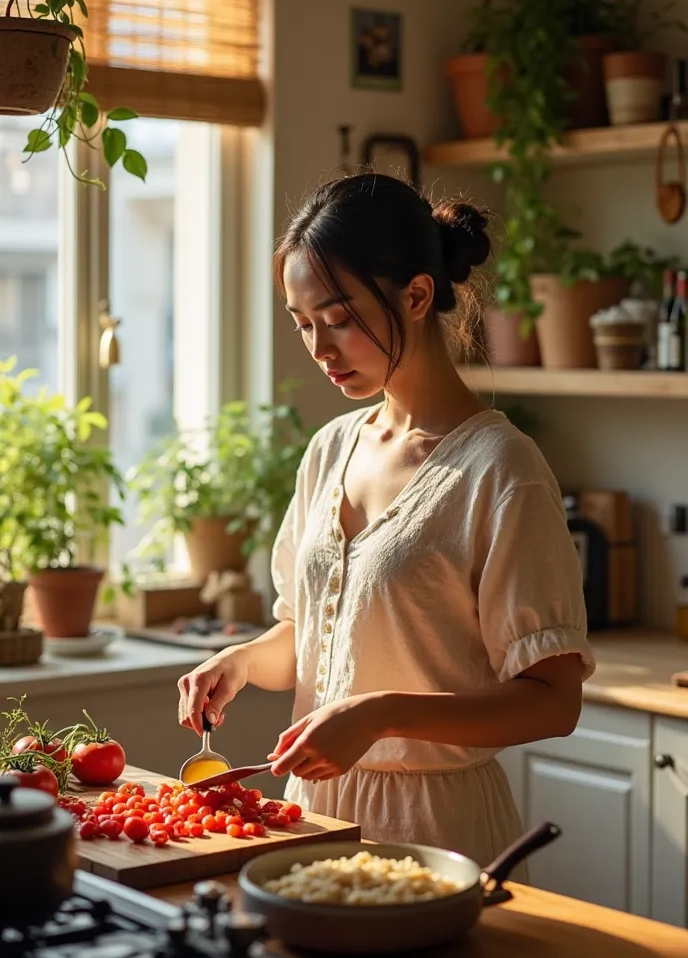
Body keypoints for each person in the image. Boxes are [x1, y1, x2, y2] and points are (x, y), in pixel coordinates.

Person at [177, 173, 595, 868]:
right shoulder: (331, 449)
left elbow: (554, 701)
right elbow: (308, 634)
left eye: (338, 318)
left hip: (441, 831)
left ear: (417, 294)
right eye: (303, 323)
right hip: (315, 820)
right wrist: (242, 661)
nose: (320, 348)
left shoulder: (502, 469)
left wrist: (380, 714)